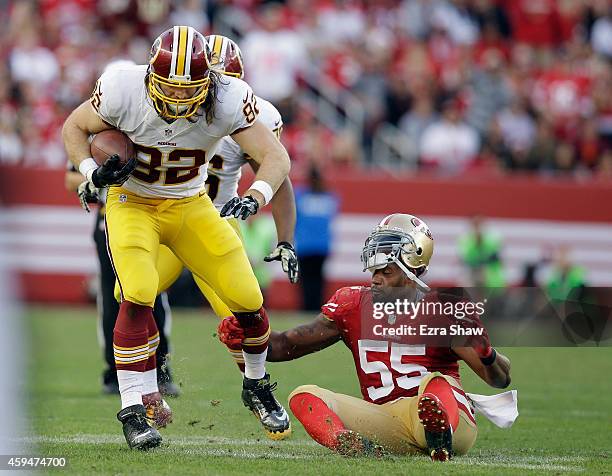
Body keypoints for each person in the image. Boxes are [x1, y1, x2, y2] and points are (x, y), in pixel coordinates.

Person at [62, 26, 291, 450]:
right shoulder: (121, 87)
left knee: (248, 297)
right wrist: (92, 173)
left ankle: (256, 385)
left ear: (211, 82)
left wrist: (255, 196)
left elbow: (275, 156)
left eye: (193, 90)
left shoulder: (228, 96)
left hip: (191, 205)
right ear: (151, 75)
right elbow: (73, 129)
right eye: (172, 89)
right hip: (134, 202)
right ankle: (134, 407)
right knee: (137, 291)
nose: (182, 99)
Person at [219, 213, 515, 461]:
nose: (375, 278)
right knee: (304, 396)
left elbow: (498, 379)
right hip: (387, 422)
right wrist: (250, 333)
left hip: (452, 419)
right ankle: (354, 447)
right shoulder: (352, 306)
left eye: (386, 270)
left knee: (435, 385)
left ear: (414, 266)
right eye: (374, 268)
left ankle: (440, 437)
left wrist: (486, 351)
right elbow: (284, 346)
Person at [138, 34, 299, 378]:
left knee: (236, 316)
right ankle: (149, 379)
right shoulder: (159, 104)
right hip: (166, 215)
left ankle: (257, 389)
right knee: (132, 296)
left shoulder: (252, 117)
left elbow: (277, 175)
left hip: (217, 221)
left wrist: (285, 239)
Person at [65, 166, 179, 398]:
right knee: (111, 297)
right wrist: (102, 178)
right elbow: (71, 179)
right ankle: (115, 371)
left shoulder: (152, 129)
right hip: (111, 220)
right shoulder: (93, 134)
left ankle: (159, 370)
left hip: (151, 218)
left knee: (151, 291)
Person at [294, 165, 339, 310]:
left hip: (304, 245)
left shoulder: (300, 195)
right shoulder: (330, 197)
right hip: (322, 246)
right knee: (318, 279)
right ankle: (317, 307)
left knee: (306, 279)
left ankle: (307, 306)